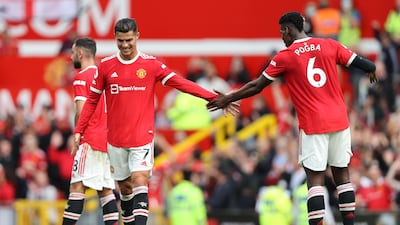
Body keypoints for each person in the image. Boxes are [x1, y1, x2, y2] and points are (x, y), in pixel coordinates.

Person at [207, 12, 377, 225]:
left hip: (313, 123)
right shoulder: (329, 45)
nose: (281, 37)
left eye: (281, 33)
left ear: (287, 30)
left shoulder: (285, 56)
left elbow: (257, 85)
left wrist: (229, 98)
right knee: (342, 175)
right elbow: (363, 63)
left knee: (315, 180)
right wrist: (371, 69)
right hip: (340, 121)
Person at [72, 18, 238, 225]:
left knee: (140, 179)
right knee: (124, 190)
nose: (125, 45)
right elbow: (91, 101)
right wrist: (79, 131)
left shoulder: (150, 65)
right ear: (115, 38)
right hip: (115, 140)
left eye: (129, 40)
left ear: (137, 37)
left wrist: (214, 98)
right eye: (121, 41)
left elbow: (182, 83)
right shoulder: (106, 66)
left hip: (142, 137)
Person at [62, 37, 119, 225]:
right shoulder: (105, 76)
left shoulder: (82, 77)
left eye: (72, 53)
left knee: (77, 186)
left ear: (80, 53)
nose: (71, 57)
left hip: (90, 139)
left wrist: (77, 135)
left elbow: (81, 110)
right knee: (105, 189)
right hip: (107, 140)